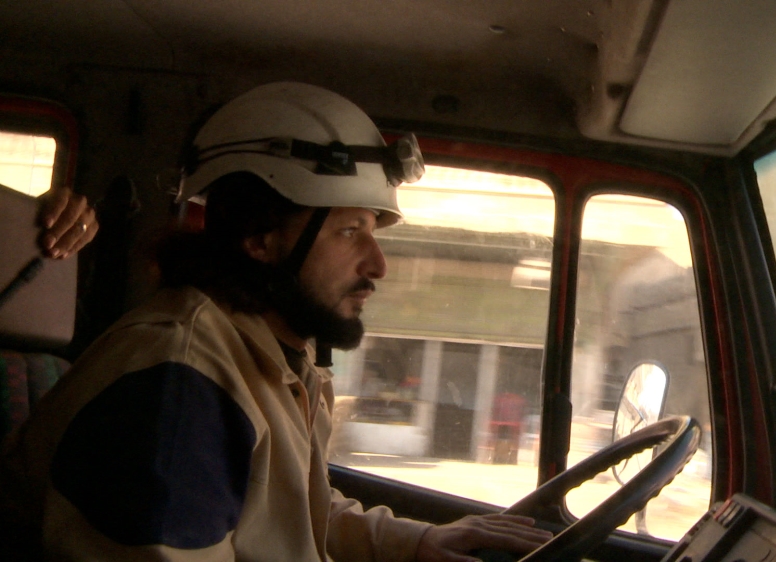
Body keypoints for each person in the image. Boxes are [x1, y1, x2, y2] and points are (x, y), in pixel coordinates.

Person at [0, 82, 552, 561]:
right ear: (261, 239)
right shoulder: (178, 384)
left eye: (372, 233)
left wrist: (413, 542)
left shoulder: (268, 358)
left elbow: (289, 514)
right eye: (349, 231)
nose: (378, 265)